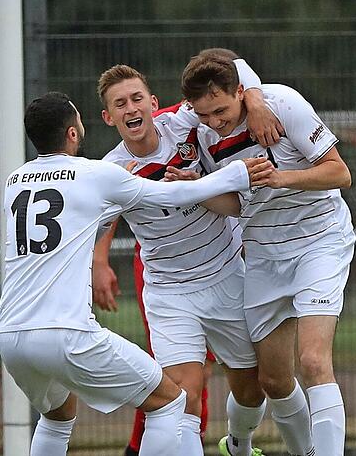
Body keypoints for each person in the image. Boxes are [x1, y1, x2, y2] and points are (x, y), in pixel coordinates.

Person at [0, 92, 272, 456]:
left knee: (58, 415)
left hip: (12, 337)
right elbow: (168, 196)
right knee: (170, 402)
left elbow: (79, 229)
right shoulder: (96, 172)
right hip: (67, 333)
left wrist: (110, 205)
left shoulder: (15, 181)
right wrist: (238, 173)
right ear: (73, 133)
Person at [171, 51, 356, 456]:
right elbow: (239, 205)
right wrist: (197, 189)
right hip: (263, 255)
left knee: (312, 361)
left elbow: (339, 173)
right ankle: (258, 447)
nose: (214, 123)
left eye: (220, 111)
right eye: (204, 116)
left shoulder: (282, 103)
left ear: (241, 91)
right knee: (272, 382)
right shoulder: (203, 136)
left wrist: (281, 178)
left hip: (318, 242)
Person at [93, 60, 280, 456]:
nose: (131, 109)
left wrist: (258, 101)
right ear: (109, 117)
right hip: (170, 293)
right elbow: (93, 222)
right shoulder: (110, 170)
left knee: (253, 388)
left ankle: (240, 445)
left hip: (227, 275)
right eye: (120, 104)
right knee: (183, 398)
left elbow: (236, 70)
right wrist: (97, 261)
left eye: (137, 98)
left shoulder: (182, 122)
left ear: (153, 102)